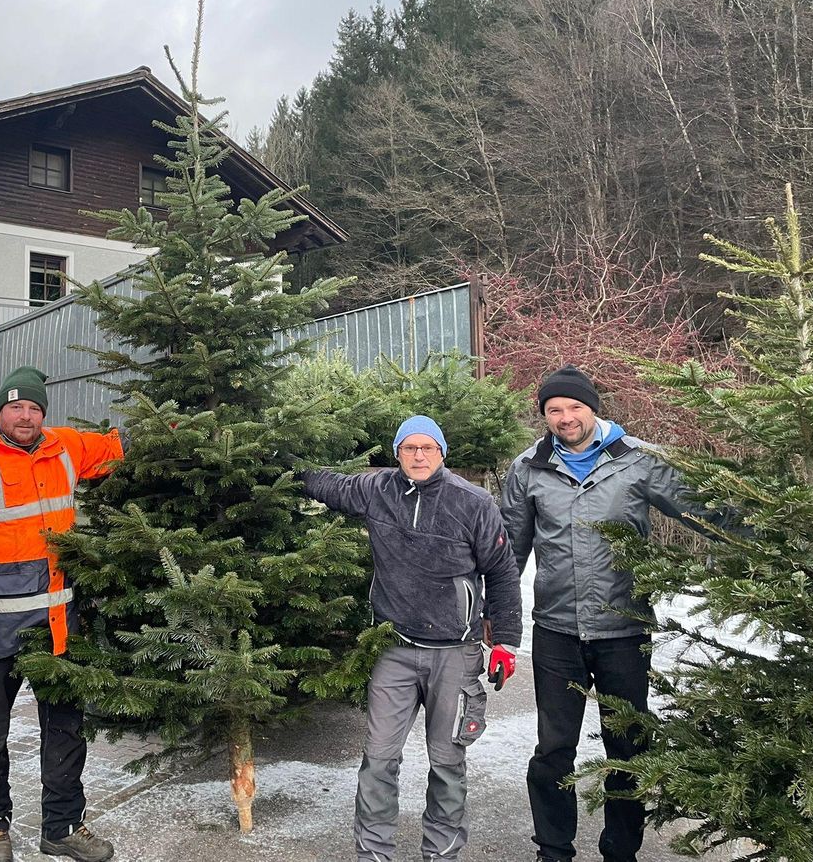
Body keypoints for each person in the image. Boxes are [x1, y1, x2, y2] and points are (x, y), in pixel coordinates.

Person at [501, 365, 702, 862]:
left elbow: (699, 507)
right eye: (554, 410)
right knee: (554, 750)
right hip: (556, 631)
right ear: (544, 416)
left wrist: (771, 529)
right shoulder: (528, 469)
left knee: (627, 745)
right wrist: (497, 615)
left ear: (593, 408)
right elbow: (509, 553)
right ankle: (554, 850)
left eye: (574, 407)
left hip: (623, 629)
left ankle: (620, 850)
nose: (565, 417)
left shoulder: (636, 461)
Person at [301, 415, 522, 862]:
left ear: (442, 452)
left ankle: (441, 854)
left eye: (428, 448)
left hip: (455, 656)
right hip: (394, 651)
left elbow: (502, 572)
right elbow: (326, 484)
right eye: (409, 448)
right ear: (397, 452)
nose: (418, 456)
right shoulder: (377, 490)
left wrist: (505, 641)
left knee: (447, 763)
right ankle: (373, 854)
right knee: (378, 760)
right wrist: (280, 466)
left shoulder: (474, 503)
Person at [0, 365, 123, 862]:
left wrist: (163, 430)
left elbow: (114, 448)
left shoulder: (66, 448)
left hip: (56, 625)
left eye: (34, 408)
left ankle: (62, 828)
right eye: (16, 407)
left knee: (65, 729)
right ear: (0, 413)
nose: (26, 416)